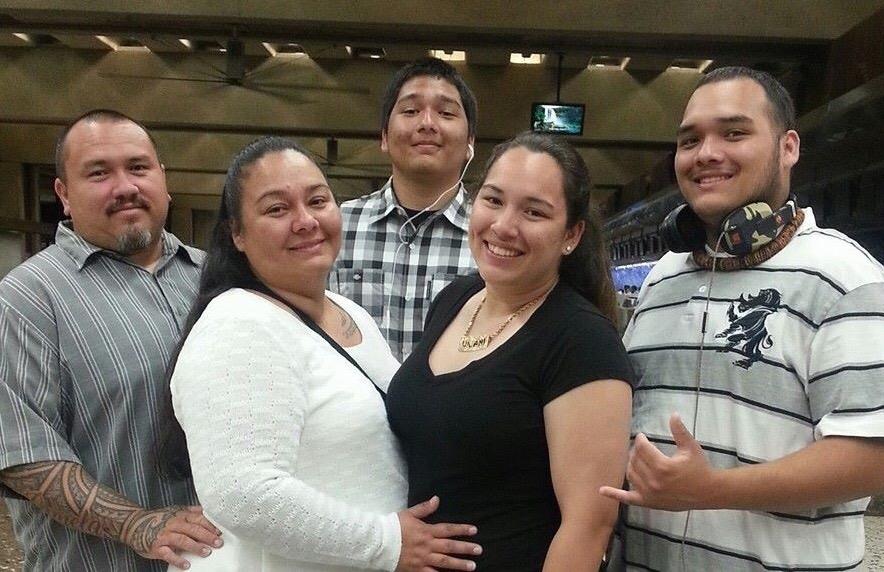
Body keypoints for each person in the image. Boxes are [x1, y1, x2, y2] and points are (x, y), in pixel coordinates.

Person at [600, 67, 884, 571]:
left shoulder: (844, 278)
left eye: (734, 133)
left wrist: (711, 490)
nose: (706, 153)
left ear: (788, 147)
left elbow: (872, 456)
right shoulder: (662, 278)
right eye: (690, 140)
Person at [163, 136, 481, 572]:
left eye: (317, 201)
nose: (305, 221)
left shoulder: (348, 311)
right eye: (277, 209)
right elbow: (244, 493)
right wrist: (386, 542)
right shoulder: (238, 323)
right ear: (237, 234)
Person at [386, 132, 635, 570]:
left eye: (533, 212)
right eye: (493, 200)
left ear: (571, 234)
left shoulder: (581, 341)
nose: (503, 226)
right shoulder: (454, 300)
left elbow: (588, 526)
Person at [0, 109, 221, 571]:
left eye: (138, 167)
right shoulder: (26, 299)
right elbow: (24, 456)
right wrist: (137, 524)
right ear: (63, 194)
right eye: (99, 173)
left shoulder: (216, 280)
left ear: (163, 179)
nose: (125, 187)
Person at [331, 56, 478, 360]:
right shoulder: (338, 225)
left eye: (446, 113)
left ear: (470, 142)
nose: (427, 123)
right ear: (384, 136)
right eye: (410, 111)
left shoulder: (493, 237)